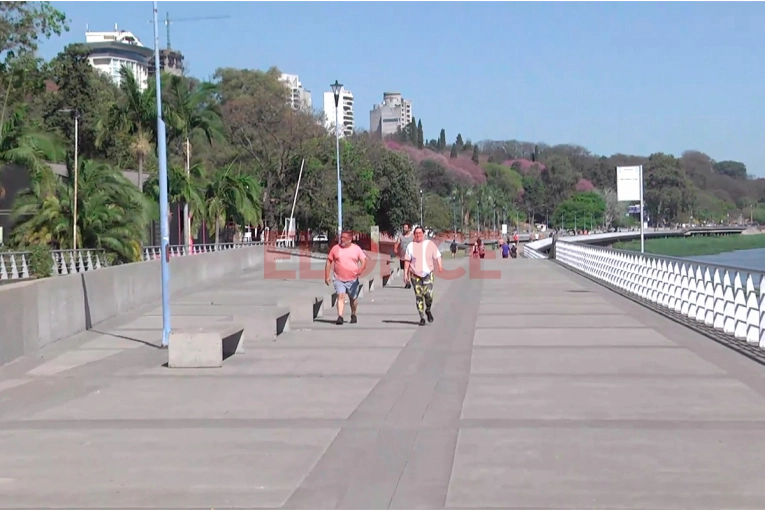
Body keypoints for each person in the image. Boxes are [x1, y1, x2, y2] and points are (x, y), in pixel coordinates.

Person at [325, 231, 368, 325]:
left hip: (352, 279)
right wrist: (327, 276)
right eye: (341, 237)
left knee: (353, 299)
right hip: (338, 278)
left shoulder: (356, 249)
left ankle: (353, 314)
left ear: (350, 239)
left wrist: (361, 269)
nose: (342, 239)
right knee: (340, 296)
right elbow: (329, 261)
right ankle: (340, 316)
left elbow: (364, 260)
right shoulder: (335, 248)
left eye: (344, 238)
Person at [404, 226, 443, 326]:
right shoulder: (410, 246)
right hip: (415, 275)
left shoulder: (429, 244)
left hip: (427, 274)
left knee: (428, 295)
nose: (418, 235)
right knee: (419, 296)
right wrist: (405, 274)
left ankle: (428, 310)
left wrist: (440, 266)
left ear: (424, 234)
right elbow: (407, 261)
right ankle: (421, 317)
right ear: (414, 235)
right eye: (416, 233)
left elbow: (438, 255)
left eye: (420, 233)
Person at [393, 222, 414, 289]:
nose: (404, 229)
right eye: (404, 228)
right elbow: (397, 243)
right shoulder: (401, 236)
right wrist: (395, 249)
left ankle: (408, 281)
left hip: (411, 256)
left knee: (409, 269)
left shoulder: (412, 236)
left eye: (406, 228)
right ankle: (407, 281)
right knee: (405, 269)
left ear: (409, 229)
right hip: (403, 256)